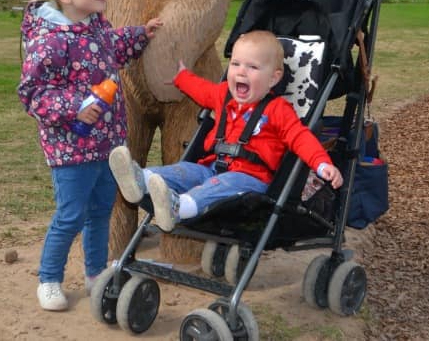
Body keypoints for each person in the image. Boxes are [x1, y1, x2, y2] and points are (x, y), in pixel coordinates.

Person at [18, 0, 161, 312]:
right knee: (70, 216)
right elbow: (33, 93)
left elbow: (113, 47)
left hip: (108, 145)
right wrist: (75, 107)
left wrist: (141, 35)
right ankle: (49, 279)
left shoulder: (96, 26)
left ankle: (96, 273)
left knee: (100, 212)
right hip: (71, 150)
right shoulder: (50, 41)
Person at [109, 29, 342, 232]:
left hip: (250, 179)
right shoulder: (223, 95)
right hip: (212, 168)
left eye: (252, 67)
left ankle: (180, 207)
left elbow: (301, 138)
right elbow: (202, 90)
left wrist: (322, 163)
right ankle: (141, 178)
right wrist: (182, 77)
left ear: (273, 78)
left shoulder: (278, 110)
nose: (241, 72)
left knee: (219, 185)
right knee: (184, 171)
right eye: (235, 64)